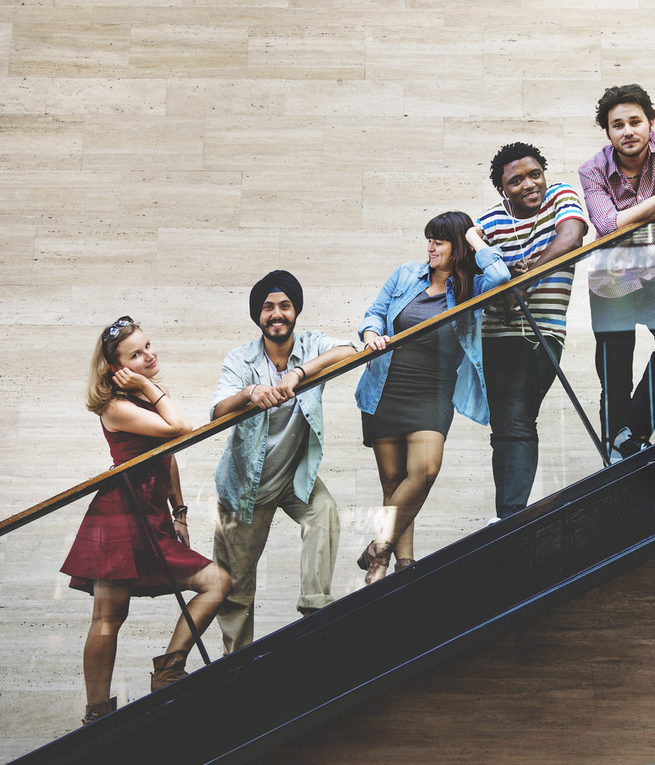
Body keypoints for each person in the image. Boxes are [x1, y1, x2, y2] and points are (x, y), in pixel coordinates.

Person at [61, 316, 232, 725]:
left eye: (148, 345)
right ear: (116, 368)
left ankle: (169, 670)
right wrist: (149, 388)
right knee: (108, 617)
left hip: (151, 515)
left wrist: (180, 511)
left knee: (218, 582)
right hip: (119, 516)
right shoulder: (117, 406)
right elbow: (181, 428)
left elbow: (168, 451)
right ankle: (97, 713)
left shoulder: (147, 399)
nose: (149, 355)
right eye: (135, 354)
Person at [355, 211, 510, 583]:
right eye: (429, 240)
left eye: (438, 241)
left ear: (457, 247)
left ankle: (379, 543)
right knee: (393, 482)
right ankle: (394, 566)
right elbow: (374, 314)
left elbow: (502, 276)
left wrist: (475, 239)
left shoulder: (472, 286)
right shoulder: (406, 274)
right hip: (386, 387)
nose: (430, 248)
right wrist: (370, 336)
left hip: (433, 393)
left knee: (423, 471)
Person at [211, 271, 357, 653]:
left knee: (323, 513)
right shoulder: (241, 358)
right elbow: (216, 412)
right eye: (268, 307)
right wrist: (250, 392)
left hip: (295, 477)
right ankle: (236, 663)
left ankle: (315, 611)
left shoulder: (311, 345)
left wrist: (298, 372)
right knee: (236, 587)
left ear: (295, 312)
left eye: (285, 306)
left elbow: (349, 350)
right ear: (258, 316)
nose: (277, 314)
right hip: (244, 489)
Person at [578, 84, 655, 462]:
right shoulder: (592, 170)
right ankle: (616, 452)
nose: (628, 131)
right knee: (615, 367)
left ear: (651, 123)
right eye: (618, 125)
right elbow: (607, 224)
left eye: (635, 121)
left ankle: (631, 432)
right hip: (610, 279)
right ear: (608, 132)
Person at [477, 143, 588, 520]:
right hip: (494, 335)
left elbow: (571, 237)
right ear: (501, 189)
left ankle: (510, 516)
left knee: (518, 416)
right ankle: (507, 515)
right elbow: (477, 279)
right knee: (505, 423)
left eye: (534, 174)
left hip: (544, 334)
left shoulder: (560, 194)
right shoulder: (489, 223)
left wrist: (525, 281)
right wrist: (502, 284)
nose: (529, 184)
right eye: (516, 180)